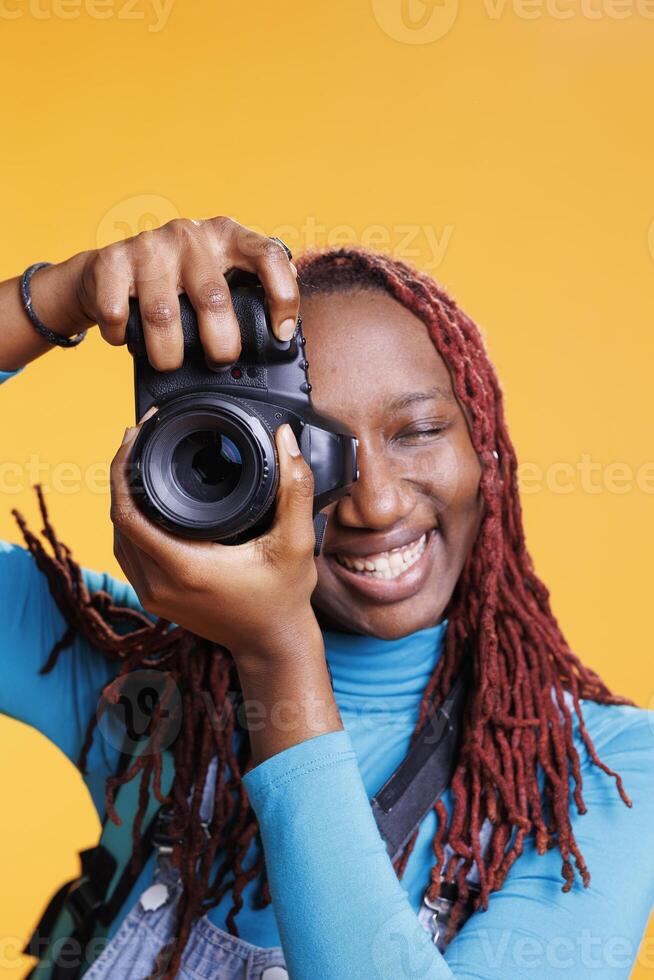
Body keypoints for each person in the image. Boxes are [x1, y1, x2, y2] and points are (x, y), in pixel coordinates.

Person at [1, 217, 652, 980]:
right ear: (218, 468)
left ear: (486, 446)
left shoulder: (594, 771)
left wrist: (278, 655)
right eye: (310, 448)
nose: (374, 504)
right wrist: (56, 300)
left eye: (418, 431)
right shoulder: (134, 681)